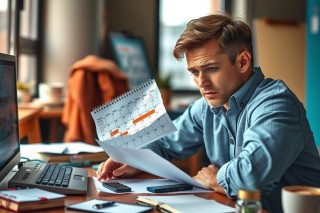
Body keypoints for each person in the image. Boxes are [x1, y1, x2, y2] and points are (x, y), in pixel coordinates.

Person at [96, 13, 320, 212]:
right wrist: (131, 158)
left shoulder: (276, 104)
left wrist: (215, 177)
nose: (201, 83)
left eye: (211, 69)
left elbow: (250, 179)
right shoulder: (208, 105)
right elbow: (165, 142)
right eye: (194, 72)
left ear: (243, 62)